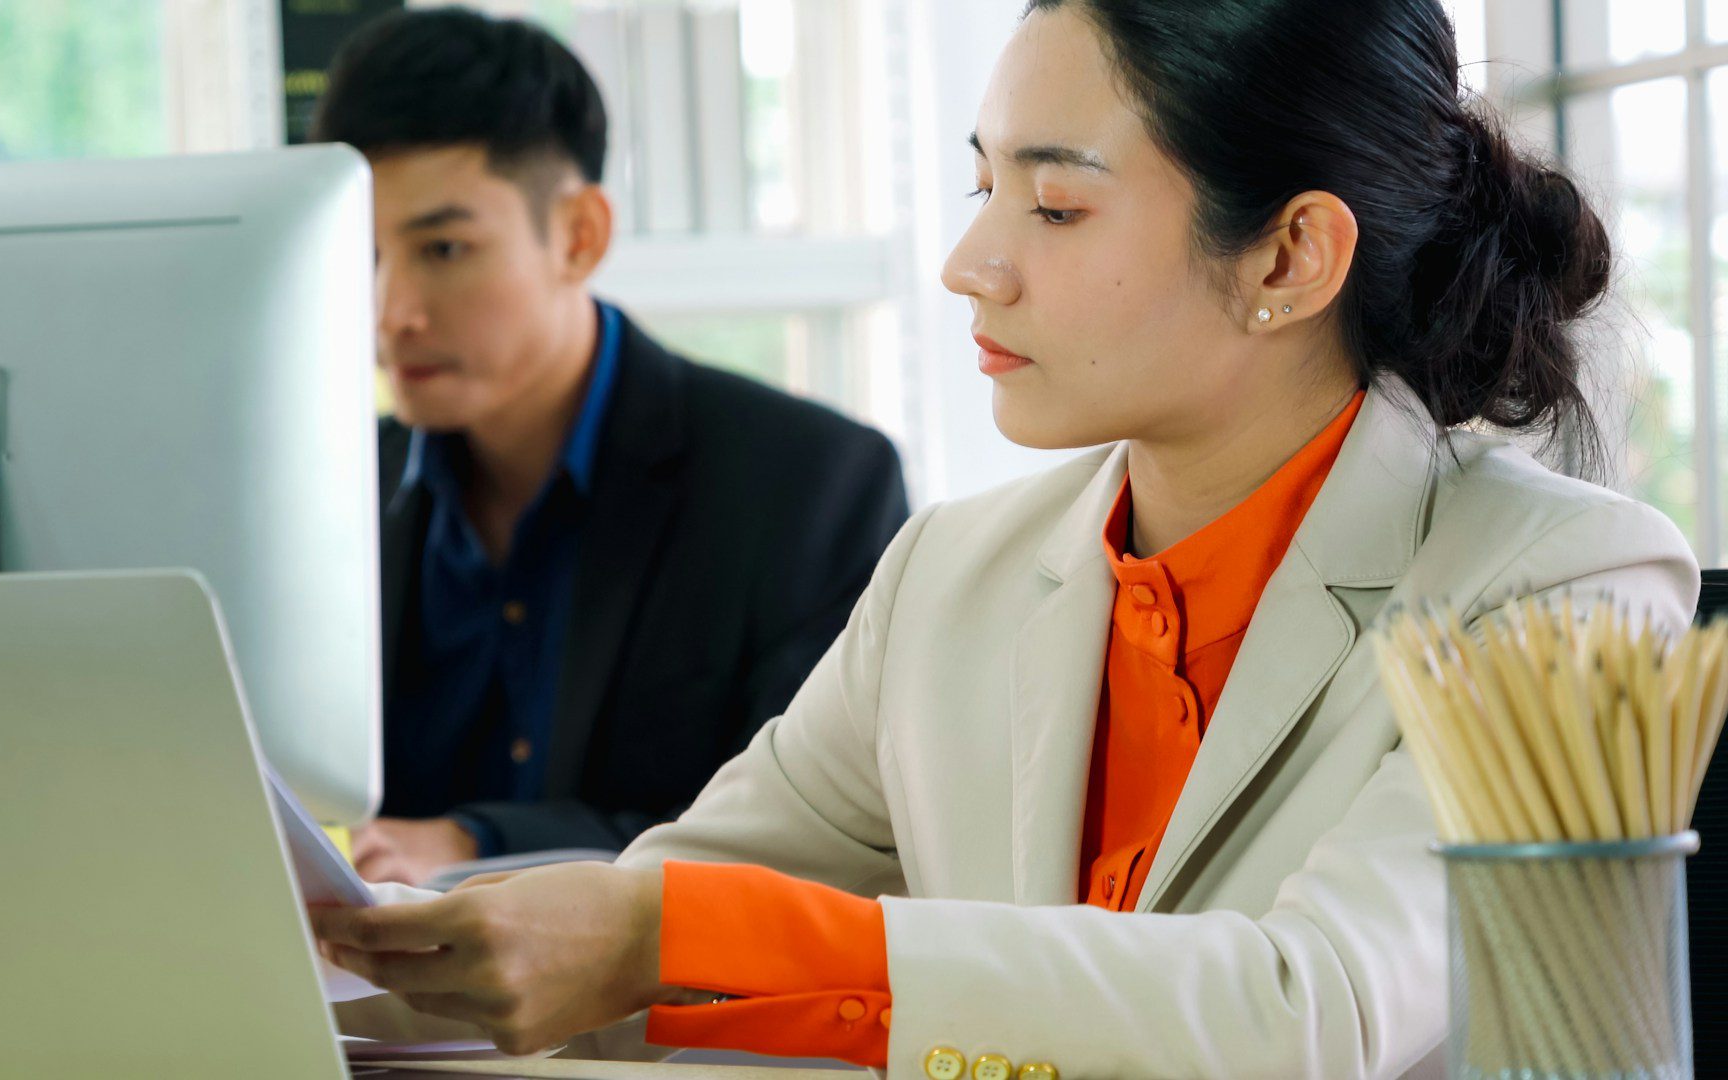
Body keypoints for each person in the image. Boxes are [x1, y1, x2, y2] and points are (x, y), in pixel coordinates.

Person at [311, 1, 1701, 1076]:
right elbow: (649, 939)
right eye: (984, 187)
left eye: (1055, 204)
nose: (972, 262)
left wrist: (654, 935)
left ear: (1287, 258)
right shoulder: (951, 579)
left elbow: (1311, 1016)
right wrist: (358, 958)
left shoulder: (1567, 590)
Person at [310, 8, 910, 883]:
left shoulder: (808, 487)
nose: (391, 310)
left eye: (443, 247)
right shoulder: (330, 493)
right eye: (363, 255)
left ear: (580, 236)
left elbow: (815, 844)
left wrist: (483, 842)